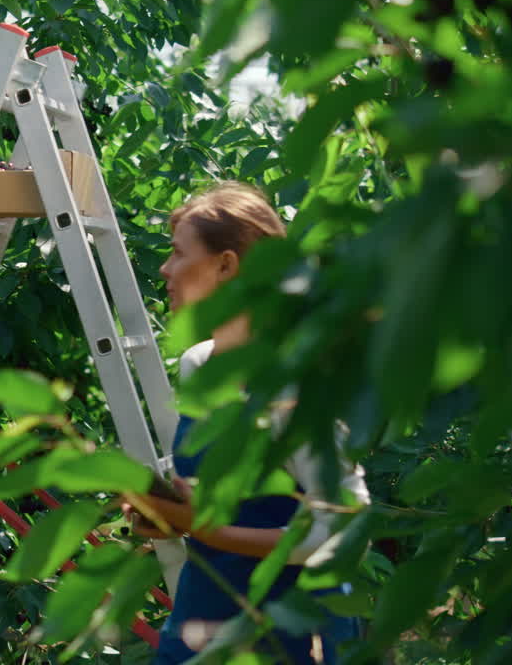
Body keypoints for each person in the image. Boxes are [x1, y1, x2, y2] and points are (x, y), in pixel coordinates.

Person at [125, 182, 369, 664]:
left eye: (177, 253)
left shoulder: (290, 382)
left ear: (226, 265)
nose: (165, 269)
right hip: (207, 618)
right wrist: (166, 516)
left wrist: (208, 528)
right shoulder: (199, 364)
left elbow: (344, 531)